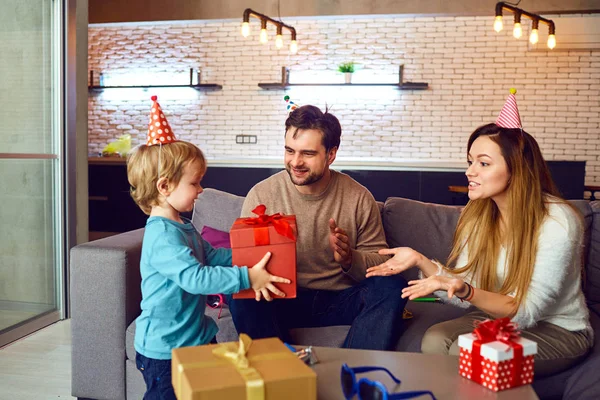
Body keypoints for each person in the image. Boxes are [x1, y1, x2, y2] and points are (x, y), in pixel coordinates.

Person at [366, 89, 593, 376]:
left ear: (517, 170)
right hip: (501, 320)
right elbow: (462, 285)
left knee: (465, 350)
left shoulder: (558, 221)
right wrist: (421, 260)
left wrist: (468, 291)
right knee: (436, 339)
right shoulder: (479, 216)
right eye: (470, 161)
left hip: (558, 330)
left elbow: (526, 310)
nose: (470, 172)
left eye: (483, 163)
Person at [128, 96, 290, 400]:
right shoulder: (162, 237)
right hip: (165, 351)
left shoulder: (182, 225)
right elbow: (196, 278)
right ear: (164, 187)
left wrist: (251, 257)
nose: (201, 191)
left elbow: (212, 255)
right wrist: (246, 277)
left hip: (196, 338)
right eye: (195, 183)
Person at [228, 100, 408, 351]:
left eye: (308, 153)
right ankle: (277, 367)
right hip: (282, 300)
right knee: (240, 289)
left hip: (339, 300)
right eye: (290, 151)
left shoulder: (357, 197)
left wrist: (349, 258)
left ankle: (354, 370)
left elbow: (381, 265)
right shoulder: (262, 195)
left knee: (391, 286)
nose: (295, 162)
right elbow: (247, 265)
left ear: (331, 154)